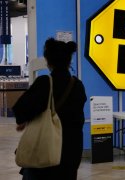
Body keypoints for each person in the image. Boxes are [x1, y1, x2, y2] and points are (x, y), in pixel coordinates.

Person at [13, 38, 87, 180]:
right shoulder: (78, 85)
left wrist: (25, 120)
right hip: (71, 152)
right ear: (68, 61)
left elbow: (20, 110)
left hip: (45, 151)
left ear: (48, 61)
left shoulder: (45, 83)